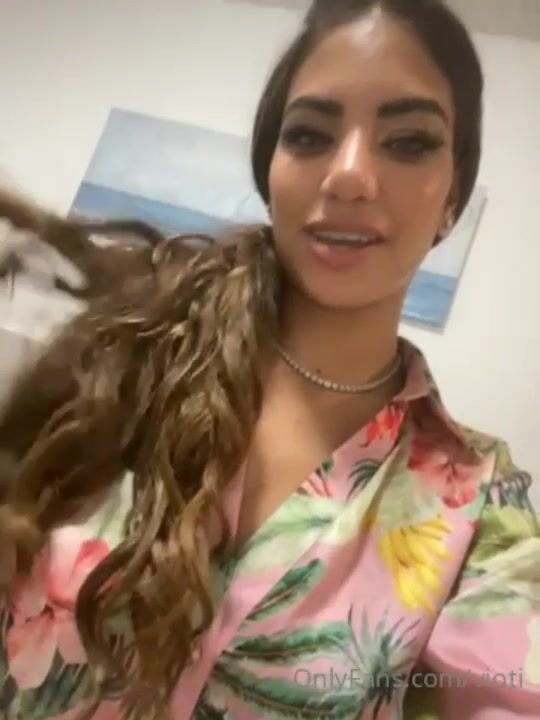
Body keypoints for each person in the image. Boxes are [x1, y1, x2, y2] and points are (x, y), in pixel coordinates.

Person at [0, 0, 538, 718]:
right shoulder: (124, 360)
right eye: (310, 135)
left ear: (452, 201)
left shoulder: (480, 504)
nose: (348, 175)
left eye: (408, 142)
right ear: (271, 172)